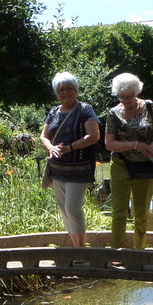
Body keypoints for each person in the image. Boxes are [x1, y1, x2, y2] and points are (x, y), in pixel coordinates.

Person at [40, 72, 101, 247]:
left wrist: (70, 147)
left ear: (76, 90)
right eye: (61, 90)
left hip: (79, 169)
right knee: (63, 209)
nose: (65, 92)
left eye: (69, 88)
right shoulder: (53, 112)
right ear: (56, 93)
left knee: (72, 208)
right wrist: (51, 147)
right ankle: (76, 247)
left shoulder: (85, 110)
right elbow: (43, 136)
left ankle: (81, 250)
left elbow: (94, 136)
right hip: (57, 169)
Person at [104, 73, 153, 250]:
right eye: (122, 97)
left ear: (136, 92)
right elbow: (109, 143)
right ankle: (117, 252)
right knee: (119, 212)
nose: (126, 100)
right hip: (121, 164)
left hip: (145, 165)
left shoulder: (148, 106)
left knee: (141, 213)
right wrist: (135, 145)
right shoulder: (113, 113)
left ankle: (139, 251)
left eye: (129, 96)